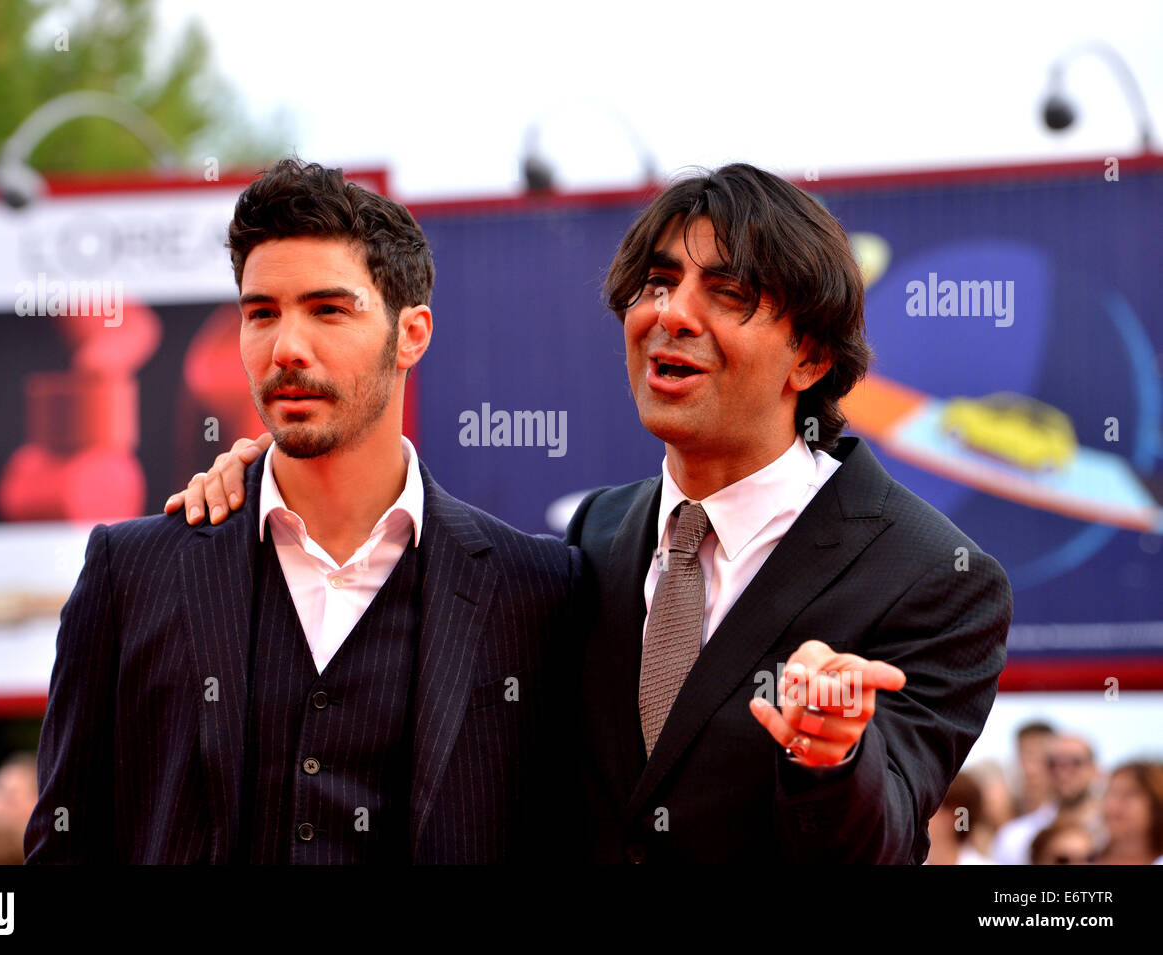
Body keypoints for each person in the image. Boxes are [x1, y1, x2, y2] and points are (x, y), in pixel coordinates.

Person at [170, 163, 1012, 864]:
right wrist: (270, 478)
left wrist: (831, 753)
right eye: (656, 282)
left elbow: (883, 841)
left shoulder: (936, 577)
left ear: (812, 355)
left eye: (726, 291)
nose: (670, 313)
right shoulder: (592, 538)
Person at [27, 158, 582, 864]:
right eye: (262, 313)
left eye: (327, 308)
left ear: (412, 333)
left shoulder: (537, 592)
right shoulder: (131, 574)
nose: (286, 348)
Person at [991, 732, 1099, 865]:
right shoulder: (1015, 837)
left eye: (1075, 762)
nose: (1064, 771)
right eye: (1054, 764)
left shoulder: (1113, 833)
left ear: (1095, 769)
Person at [1096, 760, 1163, 865]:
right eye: (1111, 793)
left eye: (1129, 794)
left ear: (1156, 804)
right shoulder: (1077, 855)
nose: (1113, 804)